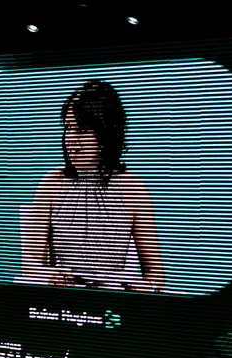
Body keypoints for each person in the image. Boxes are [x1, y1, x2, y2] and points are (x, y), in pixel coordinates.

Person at [20, 79, 165, 293]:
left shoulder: (132, 186)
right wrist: (48, 275)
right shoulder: (52, 182)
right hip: (65, 295)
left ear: (106, 134)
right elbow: (30, 263)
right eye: (68, 128)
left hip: (113, 296)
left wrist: (147, 285)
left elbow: (155, 271)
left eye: (82, 130)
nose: (71, 139)